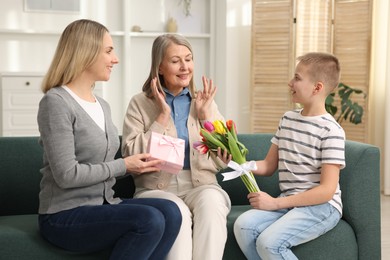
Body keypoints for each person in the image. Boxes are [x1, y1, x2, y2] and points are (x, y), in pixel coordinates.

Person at [37, 19, 182, 260]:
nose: (115, 59)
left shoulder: (101, 104)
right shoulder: (56, 103)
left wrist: (138, 163)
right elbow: (66, 175)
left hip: (104, 204)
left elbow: (105, 164)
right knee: (149, 219)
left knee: (171, 211)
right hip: (63, 214)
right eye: (108, 50)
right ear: (86, 52)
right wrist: (124, 165)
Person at [218, 52, 345, 259]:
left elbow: (326, 191)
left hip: (321, 208)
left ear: (317, 87)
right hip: (290, 202)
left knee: (269, 244)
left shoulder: (331, 131)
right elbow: (268, 166)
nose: (290, 82)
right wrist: (238, 163)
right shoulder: (287, 119)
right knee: (243, 226)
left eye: (297, 78)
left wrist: (275, 203)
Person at [121, 34, 231, 260]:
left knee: (212, 203)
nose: (185, 67)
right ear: (159, 67)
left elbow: (225, 158)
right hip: (156, 188)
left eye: (189, 59)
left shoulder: (204, 101)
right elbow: (131, 155)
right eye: (175, 61)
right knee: (176, 212)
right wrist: (162, 117)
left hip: (201, 185)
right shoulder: (139, 103)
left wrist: (205, 116)